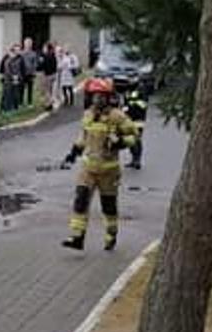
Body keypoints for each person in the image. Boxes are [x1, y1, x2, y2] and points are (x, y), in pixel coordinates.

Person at [60, 78, 139, 251]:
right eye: (95, 96)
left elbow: (134, 136)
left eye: (102, 96)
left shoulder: (117, 117)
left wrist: (119, 142)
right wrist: (73, 154)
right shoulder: (88, 115)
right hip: (88, 168)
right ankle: (77, 237)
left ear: (109, 97)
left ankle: (111, 233)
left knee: (108, 205)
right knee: (81, 199)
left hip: (109, 171)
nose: (98, 100)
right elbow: (83, 138)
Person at [123, 85, 148, 169]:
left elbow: (143, 104)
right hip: (129, 119)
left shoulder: (141, 90)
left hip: (138, 119)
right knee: (130, 140)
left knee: (137, 139)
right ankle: (133, 159)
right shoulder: (127, 91)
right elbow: (125, 104)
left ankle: (137, 160)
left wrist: (133, 103)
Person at [1, 45, 24, 111]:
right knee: (7, 94)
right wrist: (13, 76)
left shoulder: (16, 59)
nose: (14, 55)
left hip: (14, 79)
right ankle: (6, 108)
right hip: (9, 79)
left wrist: (18, 77)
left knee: (14, 94)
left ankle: (13, 107)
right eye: (13, 54)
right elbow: (8, 70)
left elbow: (18, 69)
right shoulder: (8, 61)